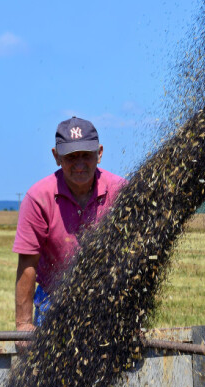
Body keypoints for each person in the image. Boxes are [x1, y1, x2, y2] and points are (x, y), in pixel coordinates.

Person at [13, 117, 126, 331]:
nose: (79, 163)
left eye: (86, 155)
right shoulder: (39, 198)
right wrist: (24, 325)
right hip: (55, 300)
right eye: (71, 156)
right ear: (57, 157)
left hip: (110, 299)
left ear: (99, 154)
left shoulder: (121, 192)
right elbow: (28, 263)